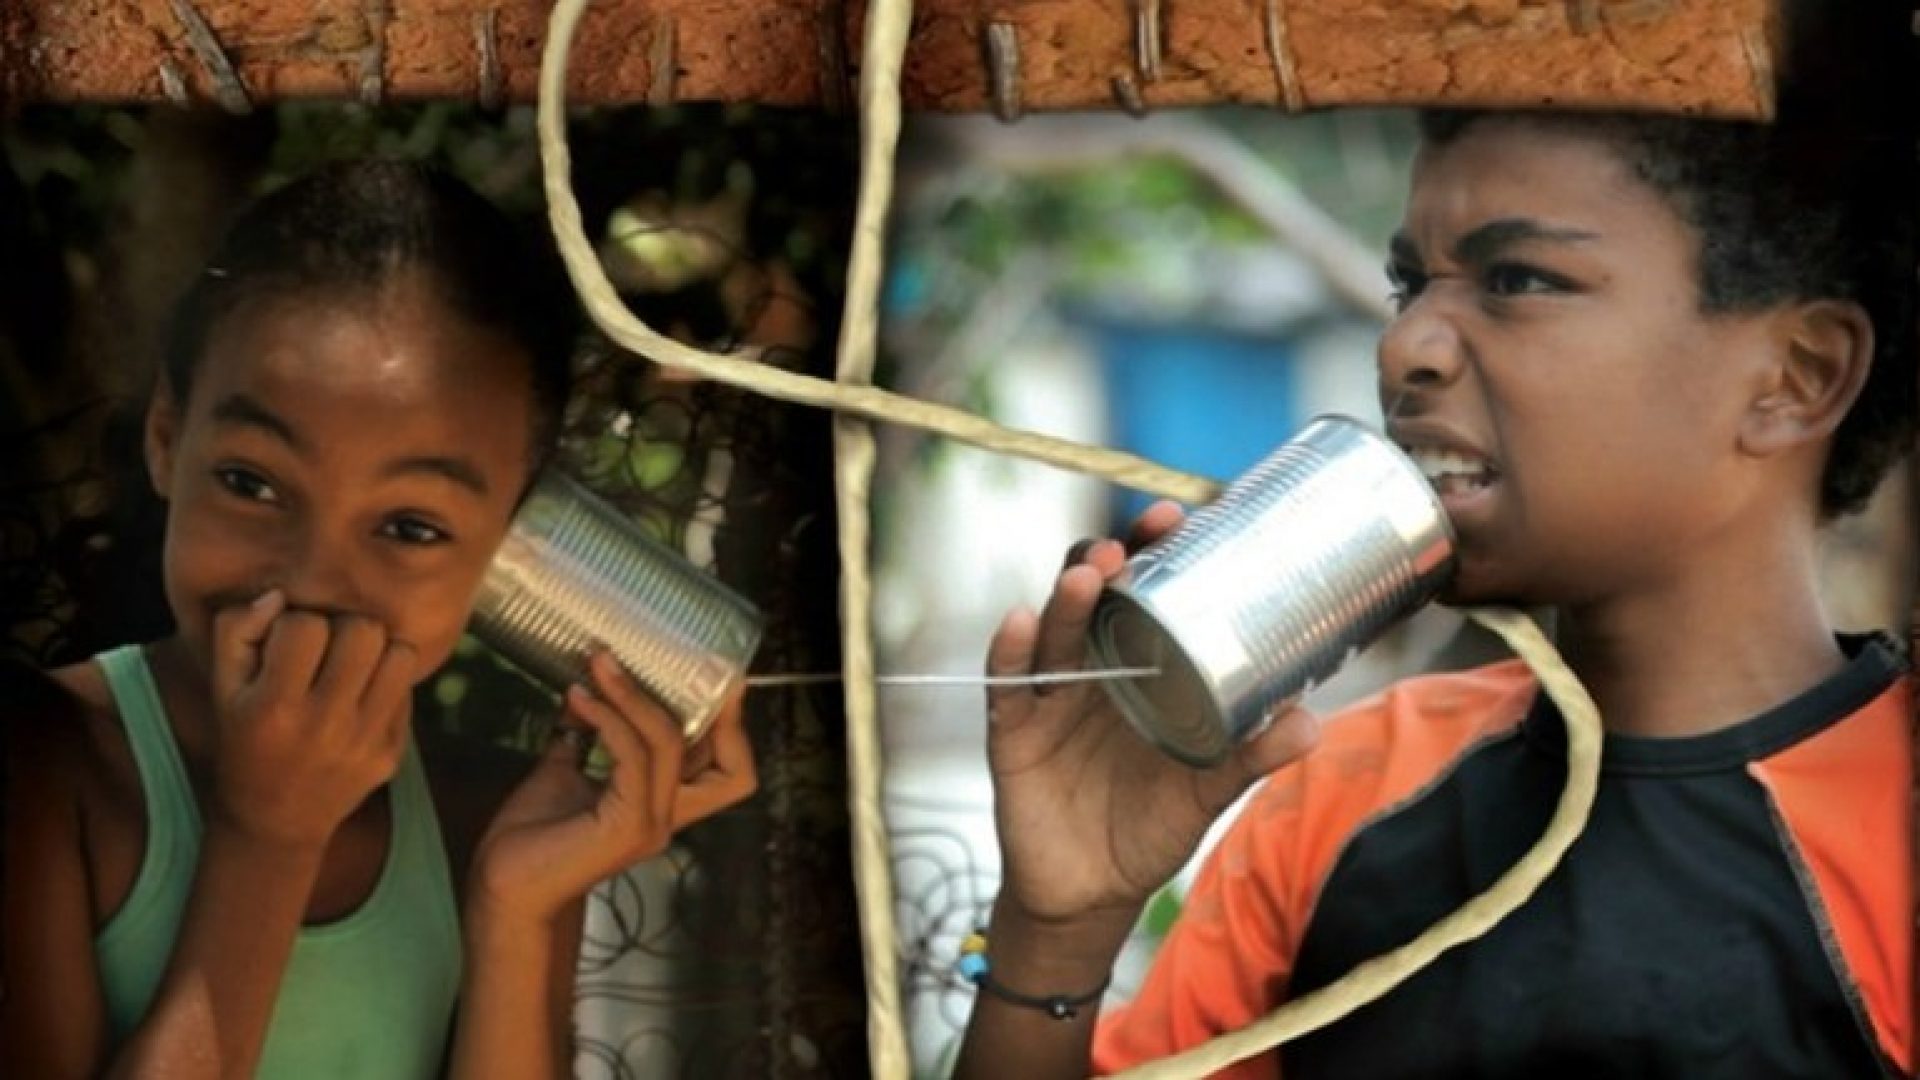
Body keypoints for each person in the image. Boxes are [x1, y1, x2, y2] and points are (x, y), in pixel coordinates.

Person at [952, 17, 1919, 1080]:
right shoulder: (1345, 790)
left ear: (1797, 377)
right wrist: (1058, 931)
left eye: (1520, 280)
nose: (1404, 346)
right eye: (1412, 285)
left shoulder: (1894, 821)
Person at [0, 160, 758, 1079]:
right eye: (250, 482)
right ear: (167, 437)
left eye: (410, 528)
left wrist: (514, 917)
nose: (312, 581)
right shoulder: (42, 765)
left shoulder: (489, 825)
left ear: (509, 547)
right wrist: (269, 838)